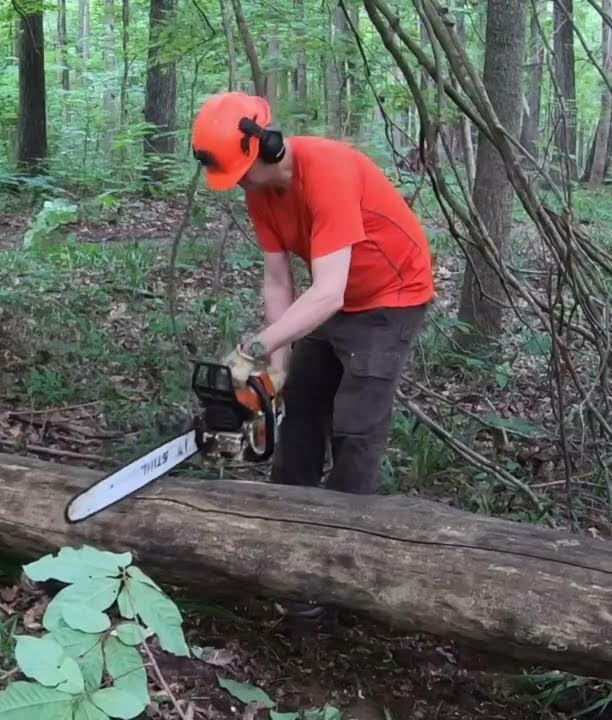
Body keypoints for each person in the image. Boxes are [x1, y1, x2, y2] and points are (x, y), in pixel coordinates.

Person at [190, 91, 436, 628]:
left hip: (390, 297)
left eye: (240, 174)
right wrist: (276, 362)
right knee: (301, 403)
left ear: (266, 147)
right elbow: (279, 279)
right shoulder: (260, 194)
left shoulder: (327, 171)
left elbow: (326, 293)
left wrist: (251, 348)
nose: (239, 187)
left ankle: (338, 565)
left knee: (356, 424)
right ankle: (286, 529)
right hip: (336, 295)